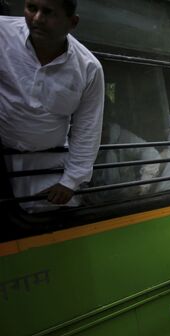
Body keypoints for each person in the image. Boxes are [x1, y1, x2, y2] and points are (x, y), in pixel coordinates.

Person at [0, 0, 104, 211]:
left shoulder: (89, 68)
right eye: (31, 8)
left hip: (48, 169)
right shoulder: (3, 34)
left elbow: (88, 129)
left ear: (72, 23)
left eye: (48, 12)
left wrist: (71, 181)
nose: (37, 18)